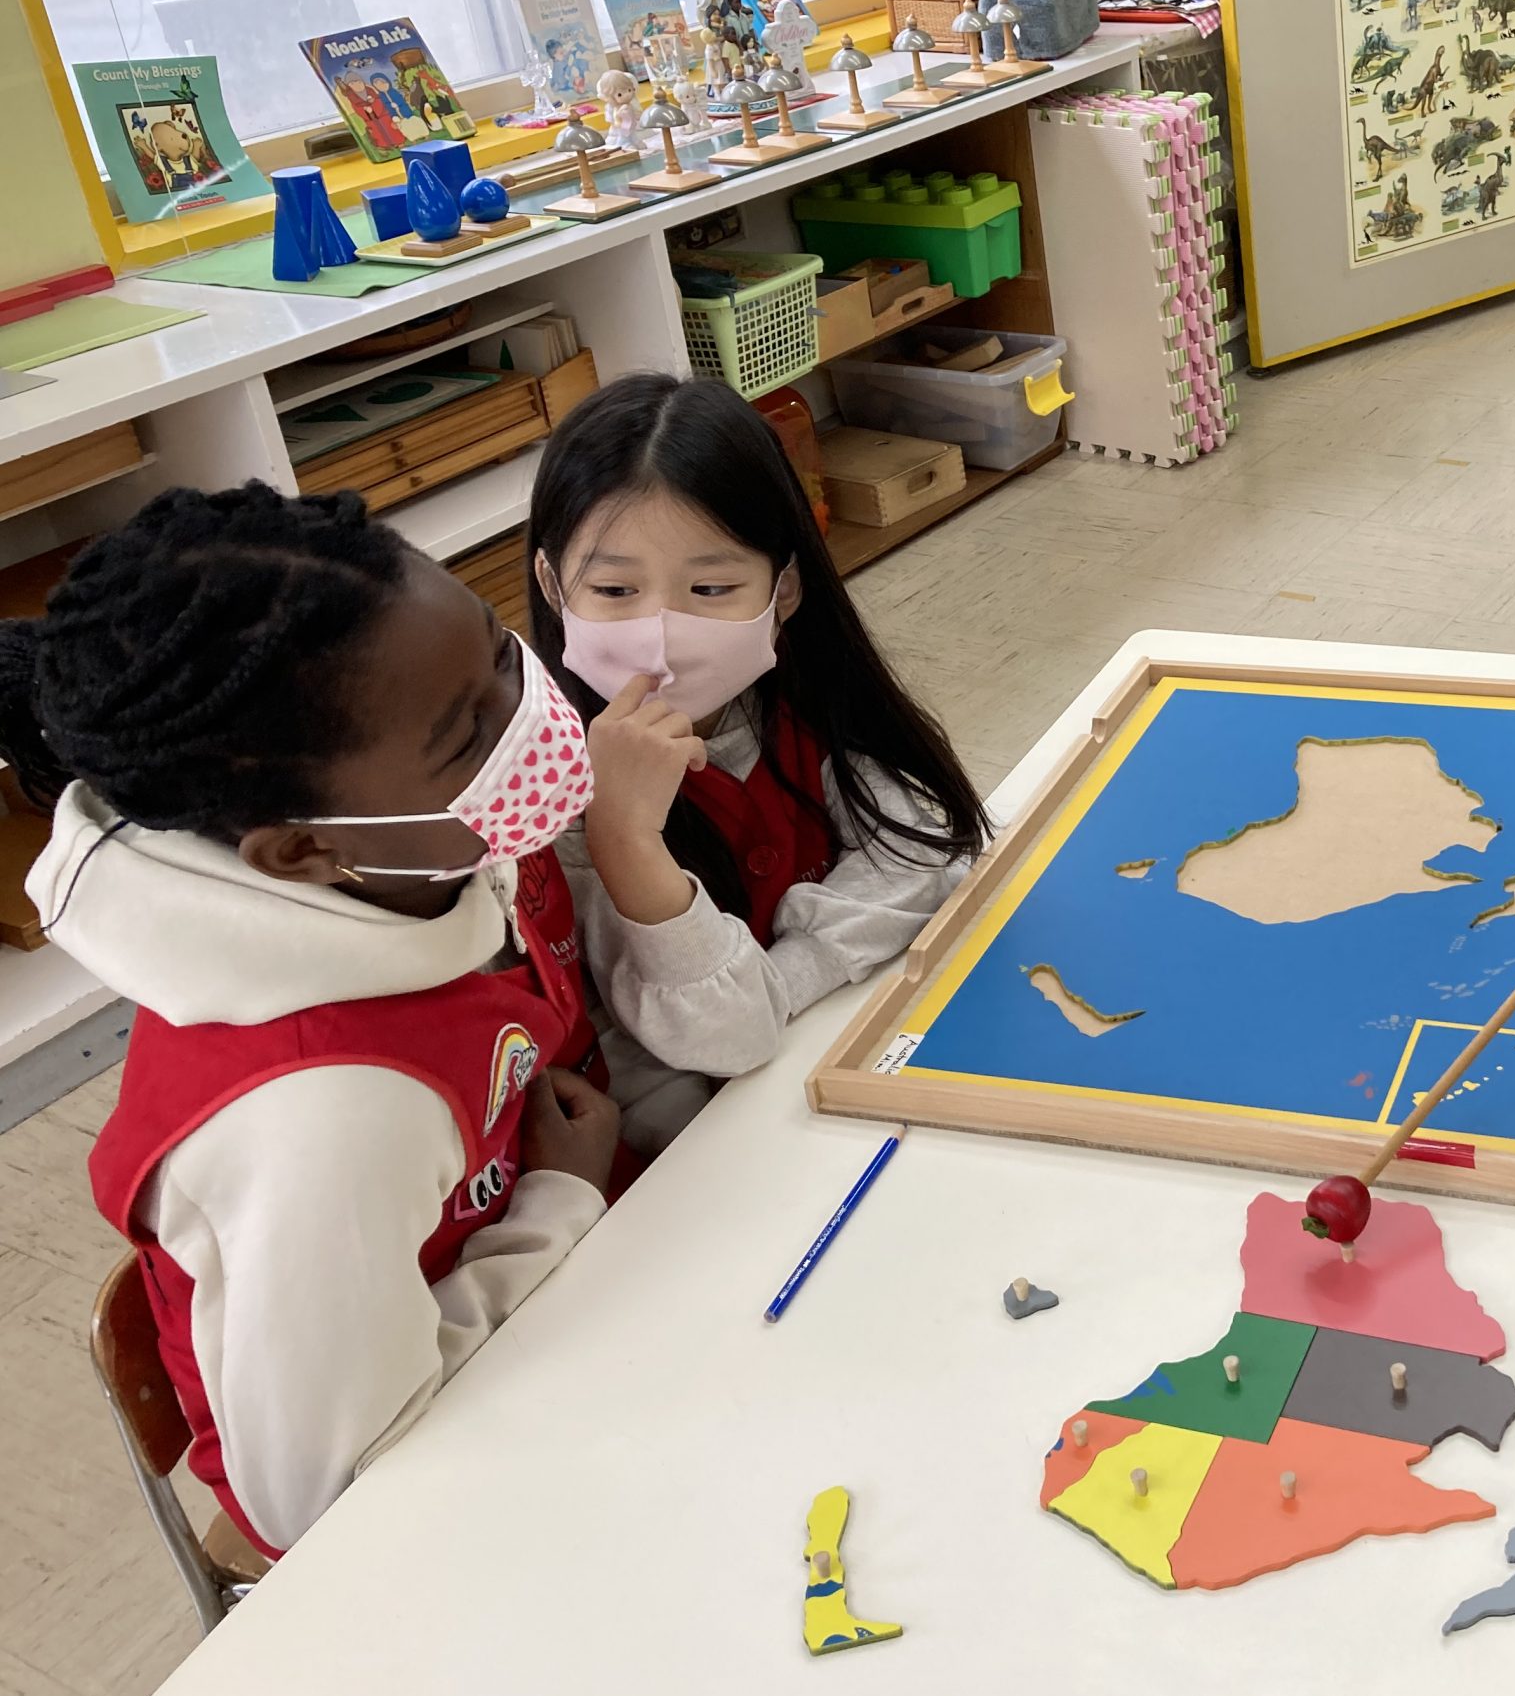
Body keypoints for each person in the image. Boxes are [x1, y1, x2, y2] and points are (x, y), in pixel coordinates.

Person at [0, 486, 618, 1558]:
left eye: (500, 653)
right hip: (421, 1522)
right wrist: (558, 1205)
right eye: (470, 733)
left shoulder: (415, 862)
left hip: (532, 1315)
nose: (530, 714)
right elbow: (332, 1495)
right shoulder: (323, 1118)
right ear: (301, 849)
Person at [526, 374, 988, 1154]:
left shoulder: (797, 701)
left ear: (785, 591)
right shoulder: (551, 798)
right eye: (614, 588)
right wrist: (626, 839)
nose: (662, 633)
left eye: (711, 587)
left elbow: (925, 854)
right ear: (551, 584)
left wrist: (785, 979)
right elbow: (721, 1036)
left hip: (821, 1072)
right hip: (699, 1151)